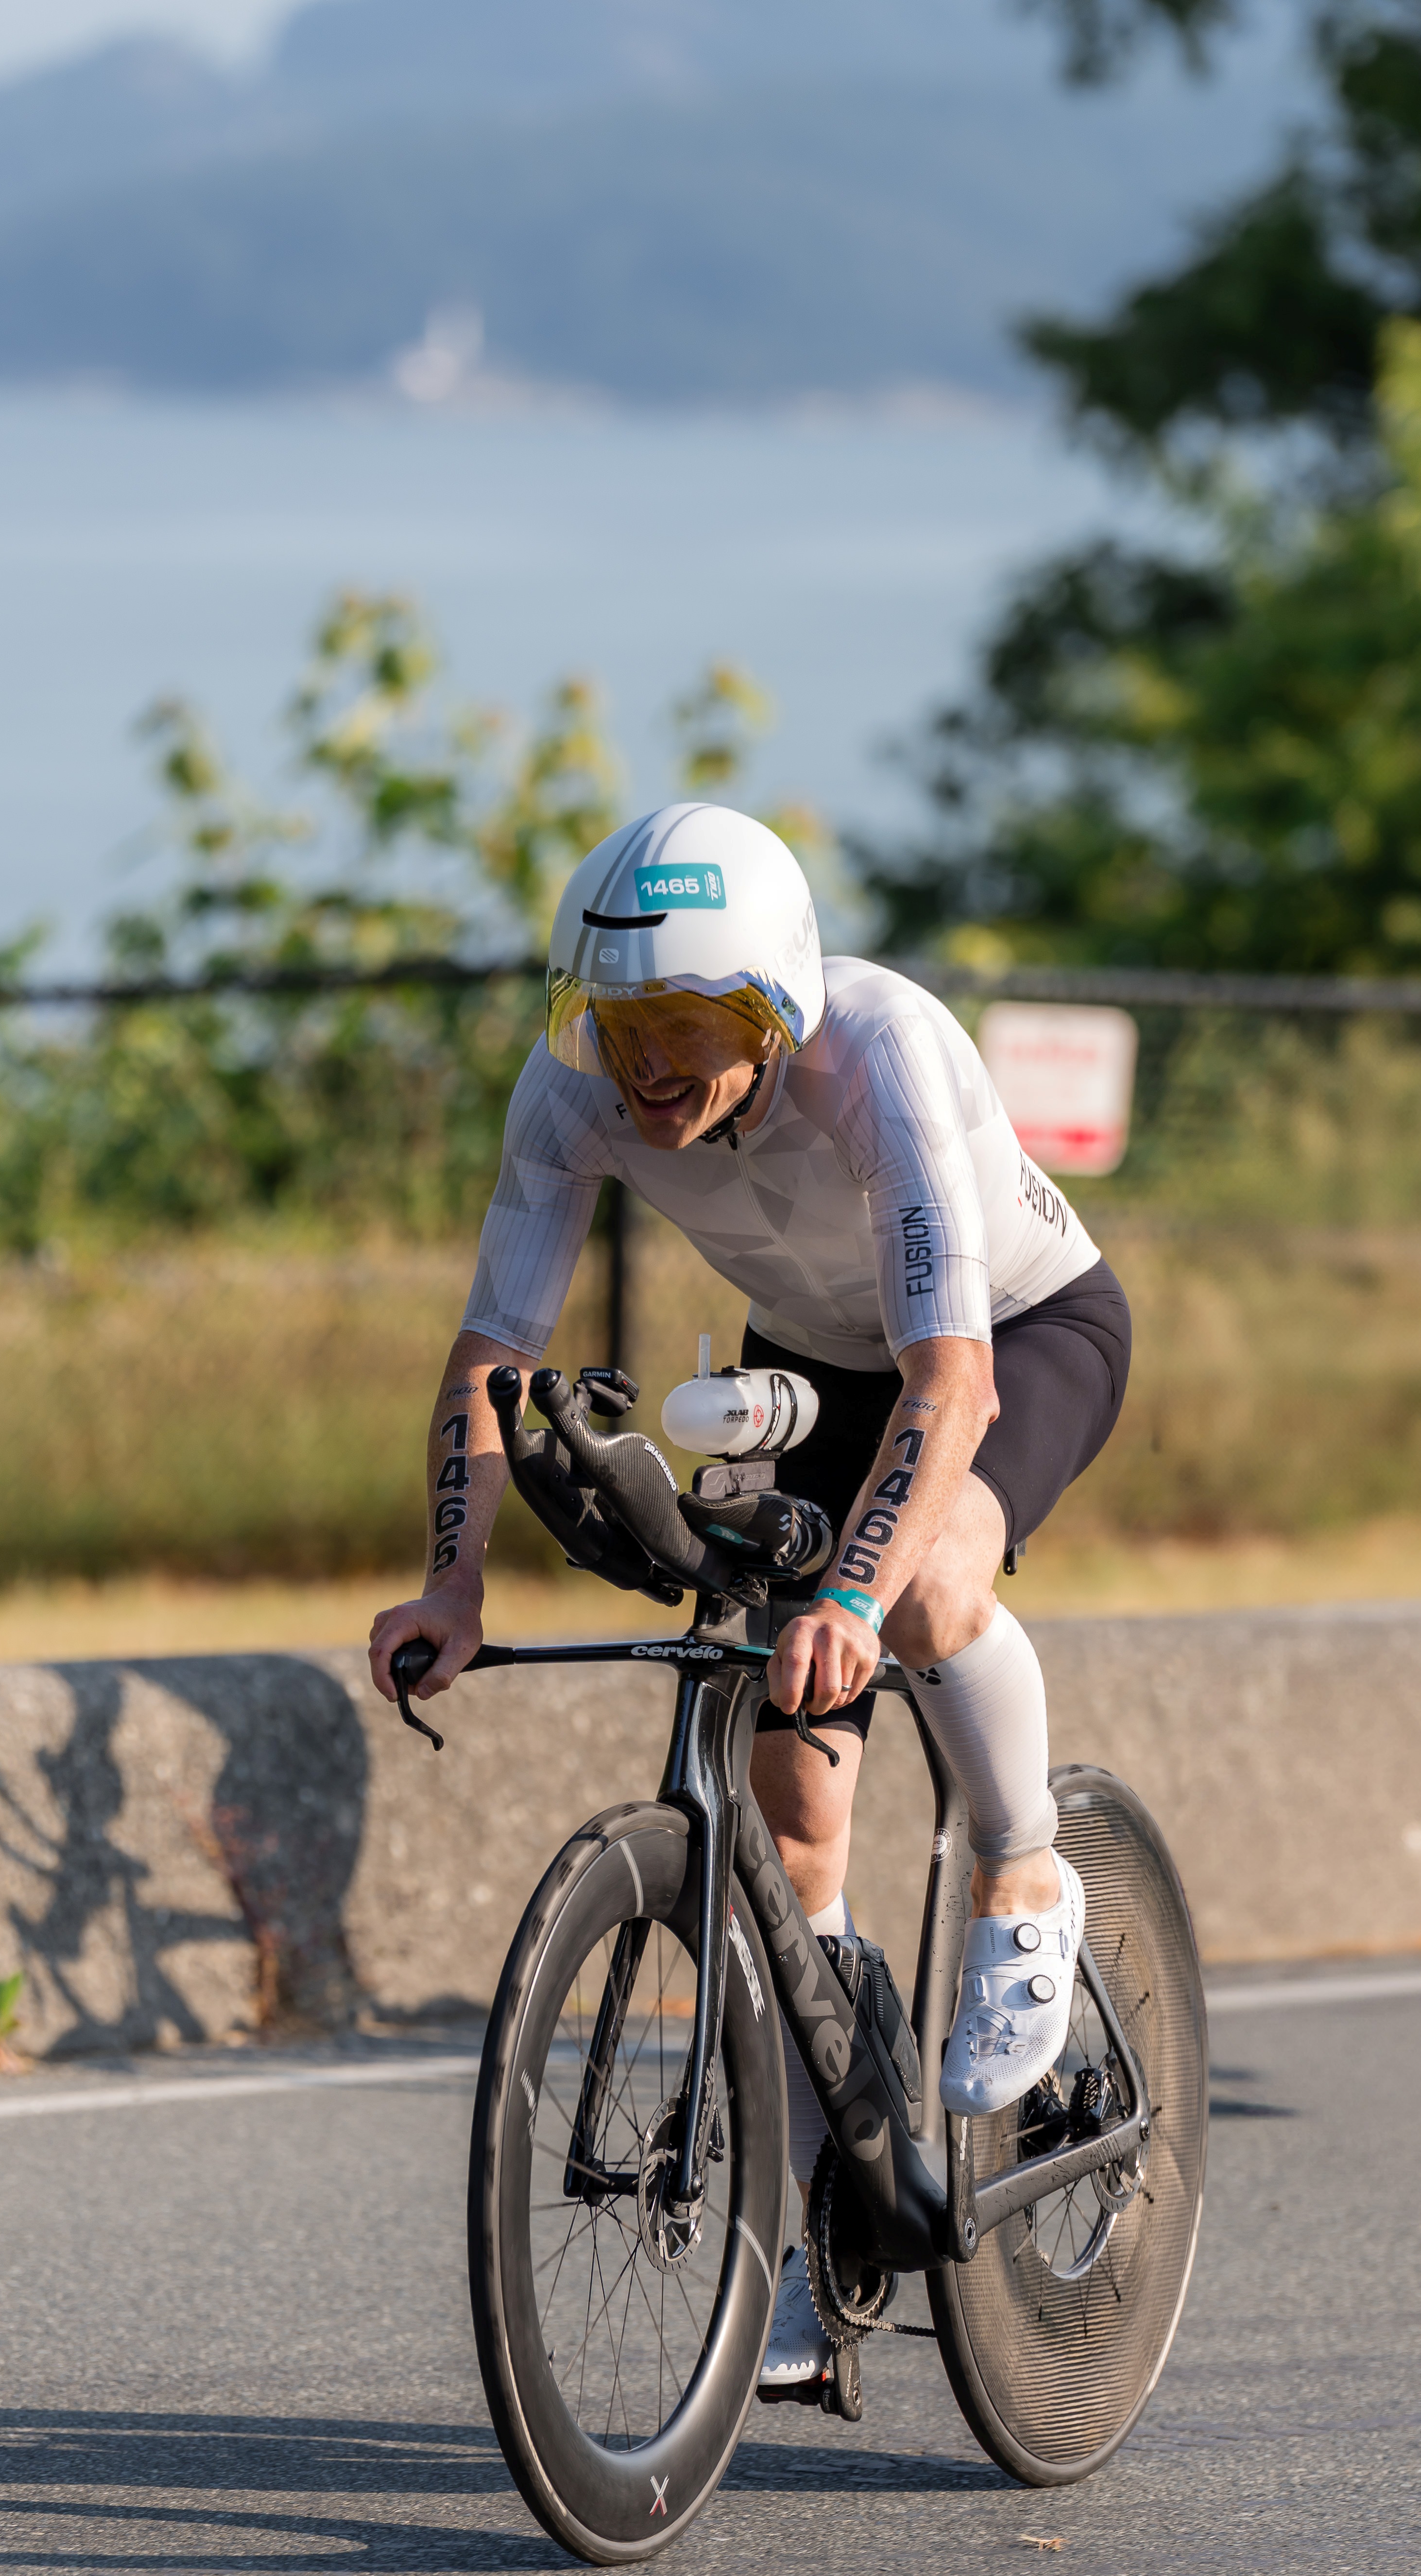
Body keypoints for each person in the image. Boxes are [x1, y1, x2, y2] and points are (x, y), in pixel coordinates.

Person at [368, 802, 1131, 2398]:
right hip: (808, 1366)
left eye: (698, 1026)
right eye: (622, 1020)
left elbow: (952, 1379)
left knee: (920, 1595)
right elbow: (491, 1357)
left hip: (1011, 1335)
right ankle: (814, 2226)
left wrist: (852, 1585)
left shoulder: (882, 1054)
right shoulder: (574, 1089)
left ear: (779, 1009)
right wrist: (452, 1574)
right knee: (790, 1831)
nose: (651, 1065)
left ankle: (1024, 1870)